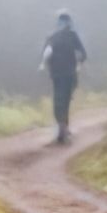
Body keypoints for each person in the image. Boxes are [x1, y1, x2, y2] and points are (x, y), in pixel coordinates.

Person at [39, 11, 87, 144]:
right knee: (65, 99)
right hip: (70, 73)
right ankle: (63, 128)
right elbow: (83, 54)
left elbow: (46, 53)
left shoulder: (51, 37)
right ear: (69, 23)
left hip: (56, 74)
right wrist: (79, 64)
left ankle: (62, 127)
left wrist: (44, 65)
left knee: (58, 99)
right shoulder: (73, 35)